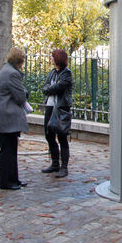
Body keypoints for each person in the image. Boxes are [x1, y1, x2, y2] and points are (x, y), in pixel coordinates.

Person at [0, 48, 28, 190]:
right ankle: (6, 181)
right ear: (20, 61)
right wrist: (25, 93)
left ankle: (13, 179)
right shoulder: (12, 73)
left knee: (10, 148)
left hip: (3, 114)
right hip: (6, 116)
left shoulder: (6, 69)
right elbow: (20, 97)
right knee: (8, 150)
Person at [41, 49, 73, 178]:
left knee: (62, 137)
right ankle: (55, 163)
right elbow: (45, 87)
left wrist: (49, 88)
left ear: (57, 58)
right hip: (50, 107)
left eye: (53, 57)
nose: (51, 59)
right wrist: (49, 88)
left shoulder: (66, 74)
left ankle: (64, 167)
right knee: (48, 135)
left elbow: (59, 87)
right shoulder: (52, 73)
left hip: (61, 108)